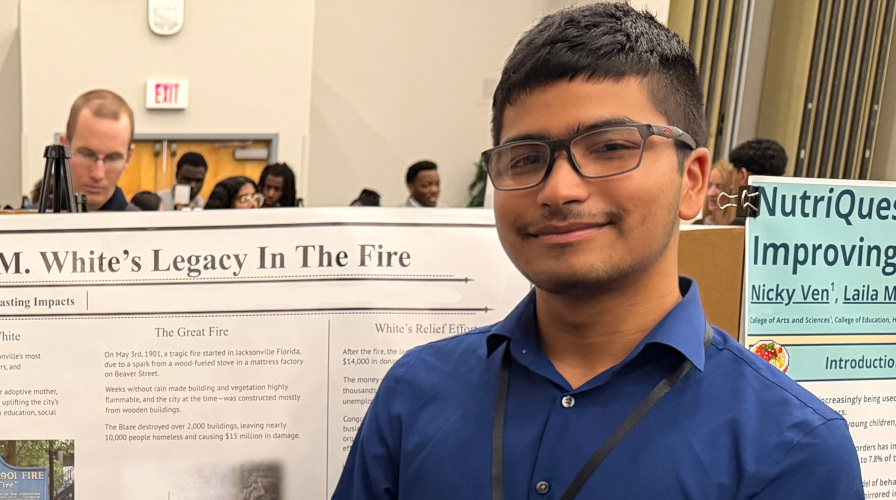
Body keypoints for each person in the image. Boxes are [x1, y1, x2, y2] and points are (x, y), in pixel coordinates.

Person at [334, 4, 860, 499]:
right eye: (523, 158)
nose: (559, 189)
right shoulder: (416, 392)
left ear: (693, 182)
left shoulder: (792, 446)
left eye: (610, 146)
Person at [62, 89, 141, 211]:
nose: (98, 174)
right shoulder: (29, 223)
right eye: (87, 155)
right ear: (64, 148)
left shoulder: (141, 228)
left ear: (128, 156)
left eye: (112, 159)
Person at [698, 160, 738, 225]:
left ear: (731, 192)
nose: (711, 193)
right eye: (709, 186)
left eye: (719, 187)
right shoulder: (697, 226)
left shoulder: (738, 228)